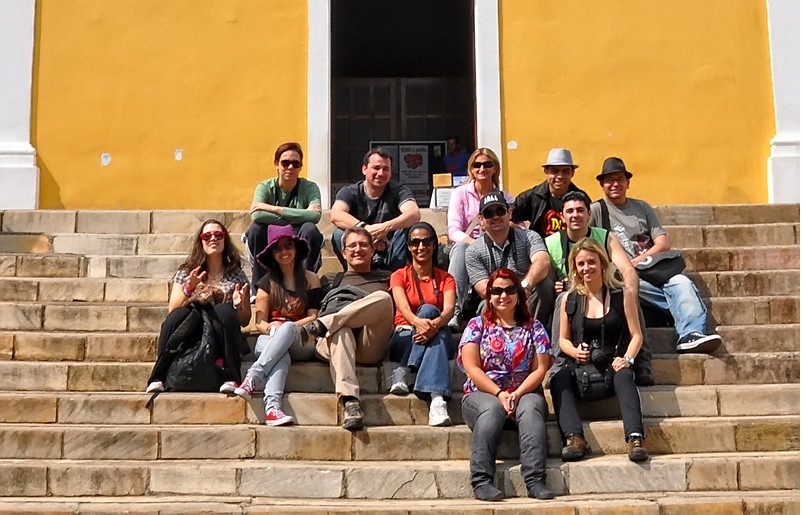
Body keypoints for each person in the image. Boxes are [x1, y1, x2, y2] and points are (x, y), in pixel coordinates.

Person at [590, 157, 722, 353]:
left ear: (628, 182)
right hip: (622, 274)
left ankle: (690, 335)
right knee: (628, 284)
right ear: (601, 185)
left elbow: (662, 243)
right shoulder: (596, 210)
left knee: (682, 283)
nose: (615, 184)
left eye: (620, 179)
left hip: (653, 268)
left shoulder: (642, 207)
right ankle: (683, 317)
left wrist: (636, 261)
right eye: (609, 180)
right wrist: (627, 267)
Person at [457, 268, 554, 501]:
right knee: (491, 409)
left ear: (519, 294)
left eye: (510, 289)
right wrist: (500, 394)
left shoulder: (534, 327)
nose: (503, 295)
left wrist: (517, 394)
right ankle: (481, 481)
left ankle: (535, 480)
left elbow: (540, 369)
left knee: (531, 408)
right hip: (482, 394)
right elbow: (472, 368)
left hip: (525, 391)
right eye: (497, 290)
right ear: (489, 296)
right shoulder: (476, 325)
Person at [550, 238, 648, 463]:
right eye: (581, 264)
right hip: (581, 366)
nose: (587, 269)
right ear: (575, 268)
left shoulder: (621, 295)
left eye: (591, 262)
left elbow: (637, 335)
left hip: (612, 363)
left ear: (603, 264)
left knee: (624, 375)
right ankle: (574, 438)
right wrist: (575, 352)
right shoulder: (569, 299)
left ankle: (635, 437)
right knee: (559, 378)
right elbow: (562, 340)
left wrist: (627, 359)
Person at [544, 191, 654, 386]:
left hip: (605, 290)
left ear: (589, 214)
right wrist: (555, 286)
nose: (575, 215)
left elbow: (627, 269)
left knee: (629, 292)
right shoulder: (551, 243)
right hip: (573, 298)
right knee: (563, 298)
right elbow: (549, 280)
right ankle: (560, 363)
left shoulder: (605, 237)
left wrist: (630, 292)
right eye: (569, 211)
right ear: (562, 216)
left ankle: (642, 361)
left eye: (580, 210)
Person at [299, 226, 394, 430]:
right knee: (341, 331)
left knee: (384, 299)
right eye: (351, 245)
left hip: (369, 344)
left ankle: (323, 326)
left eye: (363, 245)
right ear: (343, 253)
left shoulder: (388, 277)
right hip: (332, 344)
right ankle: (351, 402)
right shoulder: (330, 279)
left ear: (372, 249)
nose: (357, 249)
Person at [146, 219, 251, 394]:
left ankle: (231, 376)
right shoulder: (187, 271)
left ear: (225, 239)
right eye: (207, 236)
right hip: (191, 330)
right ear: (200, 242)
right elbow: (173, 309)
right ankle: (158, 376)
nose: (213, 239)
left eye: (218, 235)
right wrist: (189, 288)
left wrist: (239, 305)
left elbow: (245, 320)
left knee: (223, 310)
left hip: (220, 331)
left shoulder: (236, 275)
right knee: (178, 315)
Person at [233, 225, 322, 426]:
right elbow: (259, 323)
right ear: (272, 254)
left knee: (288, 329)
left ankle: (253, 376)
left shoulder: (311, 279)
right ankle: (273, 409)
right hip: (271, 339)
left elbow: (313, 318)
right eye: (278, 248)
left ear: (296, 248)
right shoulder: (266, 283)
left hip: (303, 339)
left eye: (288, 245)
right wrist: (275, 330)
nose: (284, 251)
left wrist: (285, 329)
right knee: (281, 354)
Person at [388, 222, 457, 427]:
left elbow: (449, 310)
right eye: (415, 242)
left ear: (434, 245)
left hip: (435, 331)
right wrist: (421, 324)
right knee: (436, 328)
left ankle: (405, 370)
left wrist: (432, 327)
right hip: (405, 335)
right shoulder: (399, 275)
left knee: (436, 323)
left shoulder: (446, 278)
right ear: (408, 246)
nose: (421, 247)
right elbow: (403, 308)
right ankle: (437, 398)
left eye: (426, 241)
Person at [446, 147, 518, 328]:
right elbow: (453, 231)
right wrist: (477, 245)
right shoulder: (460, 194)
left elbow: (519, 228)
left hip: (497, 246)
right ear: (471, 169)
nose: (482, 169)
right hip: (469, 245)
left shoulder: (505, 197)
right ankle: (454, 310)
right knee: (462, 248)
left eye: (487, 164)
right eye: (476, 165)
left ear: (495, 168)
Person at [465, 192, 554, 327]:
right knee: (484, 305)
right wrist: (511, 294)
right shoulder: (473, 251)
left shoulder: (529, 237)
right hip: (498, 300)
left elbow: (543, 261)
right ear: (481, 220)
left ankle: (535, 332)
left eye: (500, 211)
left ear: (510, 213)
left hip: (527, 297)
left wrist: (526, 286)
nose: (495, 217)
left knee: (545, 285)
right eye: (489, 213)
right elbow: (484, 290)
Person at [245, 142, 323, 292]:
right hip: (271, 236)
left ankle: (305, 286)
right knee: (256, 229)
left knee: (310, 229)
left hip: (298, 236)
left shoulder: (310, 187)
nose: (290, 168)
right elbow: (257, 214)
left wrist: (273, 209)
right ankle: (260, 289)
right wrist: (301, 215)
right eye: (285, 163)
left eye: (295, 163)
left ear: (300, 166)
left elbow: (315, 216)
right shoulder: (265, 187)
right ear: (276, 164)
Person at [330, 147, 421, 272]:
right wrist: (367, 231)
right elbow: (336, 215)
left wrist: (384, 228)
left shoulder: (399, 190)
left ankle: (394, 276)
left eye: (386, 169)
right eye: (376, 168)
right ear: (364, 169)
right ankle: (356, 273)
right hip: (361, 249)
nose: (381, 173)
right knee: (339, 234)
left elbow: (414, 214)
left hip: (390, 250)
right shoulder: (350, 192)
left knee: (410, 229)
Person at [512, 148, 586, 239]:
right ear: (546, 172)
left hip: (573, 250)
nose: (560, 176)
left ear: (572, 173)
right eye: (554, 171)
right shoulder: (531, 197)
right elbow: (508, 220)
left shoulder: (581, 199)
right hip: (541, 250)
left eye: (565, 171)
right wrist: (526, 237)